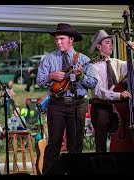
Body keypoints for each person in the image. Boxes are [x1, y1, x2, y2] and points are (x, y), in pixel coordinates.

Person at [36, 23, 97, 174]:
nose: (58, 42)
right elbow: (39, 81)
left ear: (71, 39)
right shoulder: (49, 59)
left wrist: (80, 75)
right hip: (56, 104)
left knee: (76, 145)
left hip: (78, 104)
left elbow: (93, 82)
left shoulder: (83, 59)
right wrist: (51, 75)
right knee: (54, 144)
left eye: (62, 39)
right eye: (57, 39)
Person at [89, 30, 133, 152]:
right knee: (101, 143)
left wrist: (133, 49)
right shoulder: (93, 66)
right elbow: (99, 91)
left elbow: (132, 66)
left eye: (111, 43)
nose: (111, 45)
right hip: (100, 107)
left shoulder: (116, 62)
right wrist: (119, 94)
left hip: (116, 108)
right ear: (99, 46)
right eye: (107, 42)